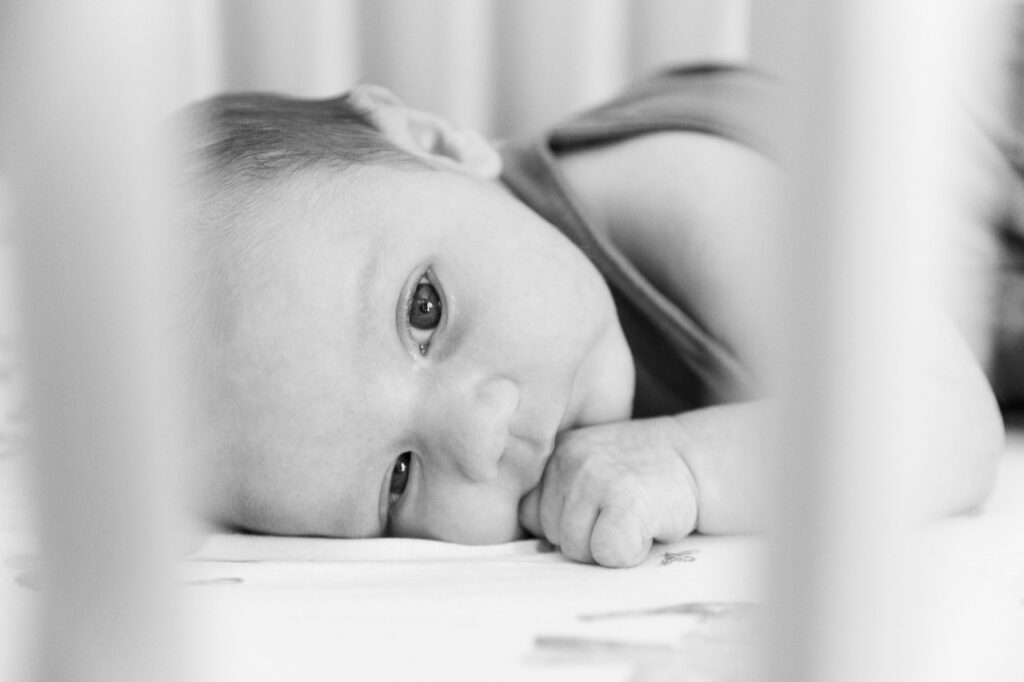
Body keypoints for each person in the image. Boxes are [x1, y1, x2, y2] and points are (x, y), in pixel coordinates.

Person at [177, 64, 1006, 568]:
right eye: (398, 481)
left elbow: (942, 419)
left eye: (422, 311)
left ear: (432, 141)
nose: (478, 438)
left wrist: (688, 464)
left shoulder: (677, 187)